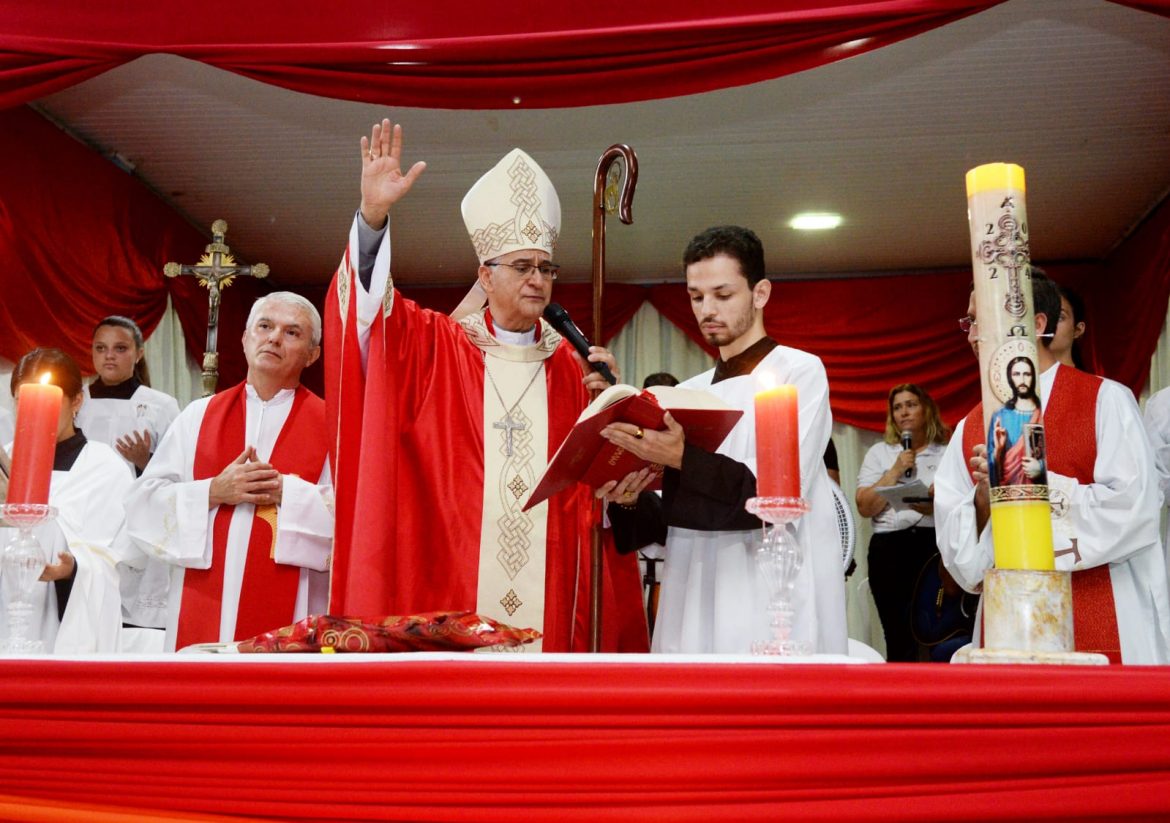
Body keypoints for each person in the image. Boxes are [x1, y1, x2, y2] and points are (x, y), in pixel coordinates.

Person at [325, 119, 646, 653]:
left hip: (552, 584)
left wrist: (609, 407)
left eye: (546, 268)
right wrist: (374, 218)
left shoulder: (575, 369)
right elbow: (368, 318)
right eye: (522, 266)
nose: (538, 279)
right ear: (485, 274)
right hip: (453, 576)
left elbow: (603, 496)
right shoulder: (438, 346)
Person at [596, 225, 847, 654]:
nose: (707, 309)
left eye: (723, 295)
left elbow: (776, 497)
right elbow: (666, 525)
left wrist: (680, 458)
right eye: (696, 296)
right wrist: (627, 498)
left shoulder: (799, 372)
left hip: (769, 591)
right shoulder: (685, 393)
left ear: (760, 293)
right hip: (693, 590)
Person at [935, 271, 1169, 664]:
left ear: (1037, 324)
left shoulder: (1105, 400)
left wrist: (1026, 483)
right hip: (1006, 625)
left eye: (982, 319)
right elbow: (963, 565)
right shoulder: (967, 427)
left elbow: (1136, 509)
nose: (972, 334)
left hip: (1103, 607)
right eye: (969, 321)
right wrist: (982, 503)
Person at [123, 292, 333, 652]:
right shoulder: (198, 416)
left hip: (293, 613)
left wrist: (288, 492)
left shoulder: (332, 426)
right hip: (202, 605)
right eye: (265, 326)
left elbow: (358, 517)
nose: (274, 338)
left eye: (292, 332)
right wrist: (212, 491)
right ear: (245, 338)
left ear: (312, 354)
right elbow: (143, 503)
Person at [0, 348, 132, 652]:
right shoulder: (6, 461)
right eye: (22, 400)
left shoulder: (104, 466)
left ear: (76, 401)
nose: (31, 411)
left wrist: (74, 569)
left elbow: (119, 560)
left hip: (64, 622)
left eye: (48, 399)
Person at [75, 315, 181, 650]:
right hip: (85, 518)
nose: (109, 356)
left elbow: (178, 475)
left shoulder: (161, 405)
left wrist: (144, 462)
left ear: (138, 353)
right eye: (101, 348)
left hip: (137, 524)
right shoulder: (77, 401)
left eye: (120, 348)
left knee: (131, 625)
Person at [854, 384, 950, 661]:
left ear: (926, 409)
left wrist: (934, 505)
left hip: (931, 547)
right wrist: (895, 471)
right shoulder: (879, 453)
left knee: (933, 627)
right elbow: (864, 506)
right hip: (890, 549)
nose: (904, 412)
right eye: (897, 407)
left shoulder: (944, 452)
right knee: (896, 632)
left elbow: (959, 502)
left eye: (910, 404)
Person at [986, 356, 1045, 487]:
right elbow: (990, 461)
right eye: (1017, 374)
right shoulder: (1000, 416)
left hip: (1039, 493)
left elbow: (1059, 453)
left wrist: (1041, 467)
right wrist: (998, 451)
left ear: (1034, 377)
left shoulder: (1044, 412)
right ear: (1010, 378)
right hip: (1008, 492)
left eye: (1027, 374)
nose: (1022, 380)